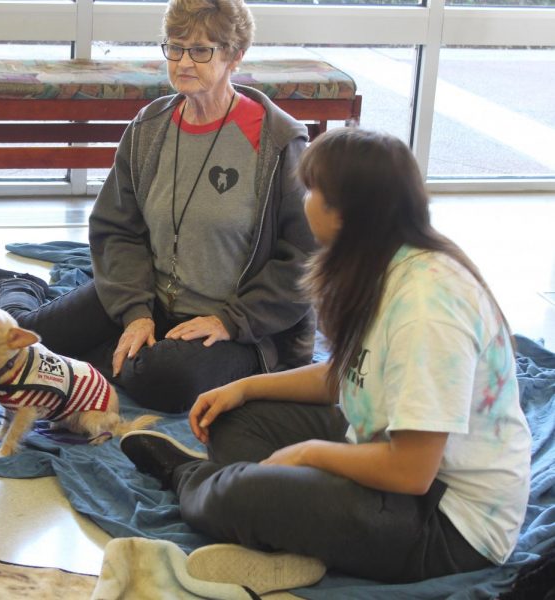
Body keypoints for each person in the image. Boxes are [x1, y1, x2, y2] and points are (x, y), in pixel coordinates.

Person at [119, 128, 532, 594]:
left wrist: (307, 454)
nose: (304, 200)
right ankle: (289, 532)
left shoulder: (427, 306)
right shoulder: (384, 264)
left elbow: (411, 472)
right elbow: (353, 376)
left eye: (313, 191)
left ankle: (189, 476)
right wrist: (245, 388)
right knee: (235, 419)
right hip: (382, 457)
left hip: (446, 523)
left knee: (244, 493)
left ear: (349, 211)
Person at [0, 0, 316, 413]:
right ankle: (20, 288)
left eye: (200, 50)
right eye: (174, 48)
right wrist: (136, 313)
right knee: (24, 341)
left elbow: (306, 257)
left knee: (168, 381)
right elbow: (115, 227)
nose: (183, 62)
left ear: (235, 55)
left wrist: (232, 321)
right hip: (147, 295)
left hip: (234, 326)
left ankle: (87, 356)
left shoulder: (277, 141)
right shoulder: (149, 126)